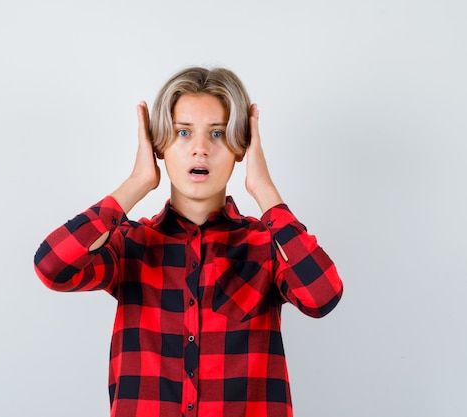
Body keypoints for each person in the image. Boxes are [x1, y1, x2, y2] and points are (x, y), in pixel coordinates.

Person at [34, 67, 343, 417]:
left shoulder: (268, 245)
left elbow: (322, 297)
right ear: (159, 145)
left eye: (218, 134)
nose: (200, 149)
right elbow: (52, 268)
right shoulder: (129, 244)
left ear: (241, 147)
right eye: (183, 132)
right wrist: (137, 182)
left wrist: (266, 192)